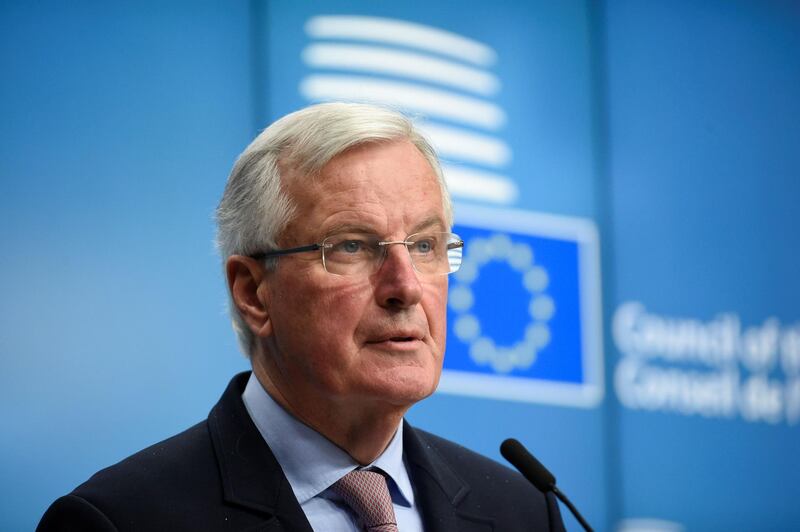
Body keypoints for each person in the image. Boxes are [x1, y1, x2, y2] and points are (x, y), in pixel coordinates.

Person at [38, 103, 565, 531]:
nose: (405, 286)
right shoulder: (120, 521)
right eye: (353, 246)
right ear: (254, 293)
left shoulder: (523, 511)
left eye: (424, 245)